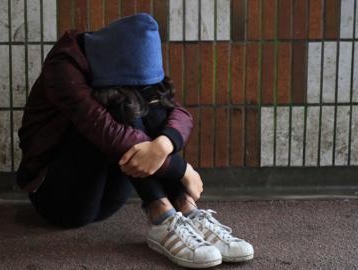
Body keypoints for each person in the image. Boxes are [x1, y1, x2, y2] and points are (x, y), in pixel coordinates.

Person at [16, 13, 254, 268]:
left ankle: (185, 209)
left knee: (154, 103)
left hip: (109, 195)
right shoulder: (63, 67)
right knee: (118, 107)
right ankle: (161, 216)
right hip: (61, 199)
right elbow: (105, 131)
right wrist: (181, 169)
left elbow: (177, 111)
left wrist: (164, 144)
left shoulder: (124, 53)